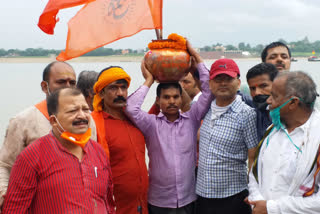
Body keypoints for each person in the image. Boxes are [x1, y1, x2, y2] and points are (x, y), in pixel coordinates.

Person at [125, 41, 213, 214]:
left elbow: (209, 91)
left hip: (188, 199)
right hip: (159, 201)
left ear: (182, 99)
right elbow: (130, 108)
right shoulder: (150, 124)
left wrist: (197, 58)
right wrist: (149, 81)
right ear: (158, 101)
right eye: (166, 97)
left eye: (175, 97)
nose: (172, 101)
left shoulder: (192, 118)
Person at [2, 88, 115, 213]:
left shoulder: (98, 151)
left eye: (85, 109)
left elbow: (108, 202)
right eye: (72, 111)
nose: (82, 115)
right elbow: (14, 209)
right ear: (54, 121)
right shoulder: (32, 156)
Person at [0, 61, 97, 205]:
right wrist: (8, 199)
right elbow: (5, 165)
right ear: (45, 87)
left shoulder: (87, 119)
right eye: (61, 82)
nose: (68, 87)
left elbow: (93, 161)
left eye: (72, 82)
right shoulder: (24, 120)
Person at [248, 71, 320, 214]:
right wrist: (257, 201)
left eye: (274, 96)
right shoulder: (271, 131)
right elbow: (254, 174)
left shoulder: (317, 138)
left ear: (293, 102)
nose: (268, 101)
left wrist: (271, 208)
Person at [196, 58, 258, 214]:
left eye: (228, 79)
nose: (223, 83)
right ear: (210, 84)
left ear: (238, 83)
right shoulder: (205, 108)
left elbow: (253, 157)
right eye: (218, 79)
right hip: (202, 196)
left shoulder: (247, 114)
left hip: (233, 197)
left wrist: (254, 192)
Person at [91, 67, 148, 214]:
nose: (120, 93)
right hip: (113, 208)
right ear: (101, 93)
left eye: (123, 88)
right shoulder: (93, 125)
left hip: (143, 205)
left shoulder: (136, 119)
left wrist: (151, 79)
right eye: (113, 88)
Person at [246, 63, 278, 140]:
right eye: (253, 88)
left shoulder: (289, 115)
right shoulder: (251, 115)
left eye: (263, 86)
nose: (257, 92)